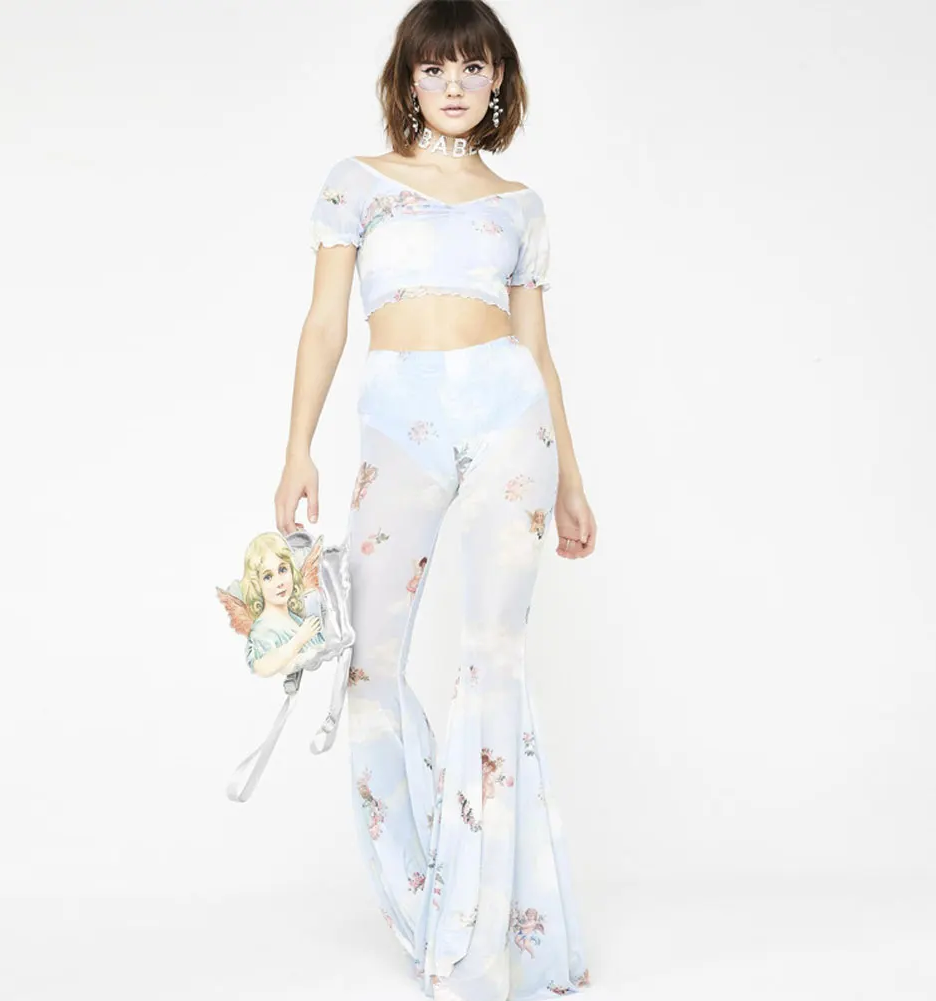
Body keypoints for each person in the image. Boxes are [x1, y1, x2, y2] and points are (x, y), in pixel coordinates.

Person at [275, 2, 596, 999]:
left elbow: (537, 349)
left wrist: (572, 477)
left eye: (472, 66)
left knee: (494, 656)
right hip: (400, 419)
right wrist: (295, 450)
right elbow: (324, 324)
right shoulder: (356, 184)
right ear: (406, 81)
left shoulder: (520, 205)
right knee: (368, 661)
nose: (453, 85)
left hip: (509, 417)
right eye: (433, 68)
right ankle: (431, 908)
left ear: (498, 81)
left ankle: (494, 931)